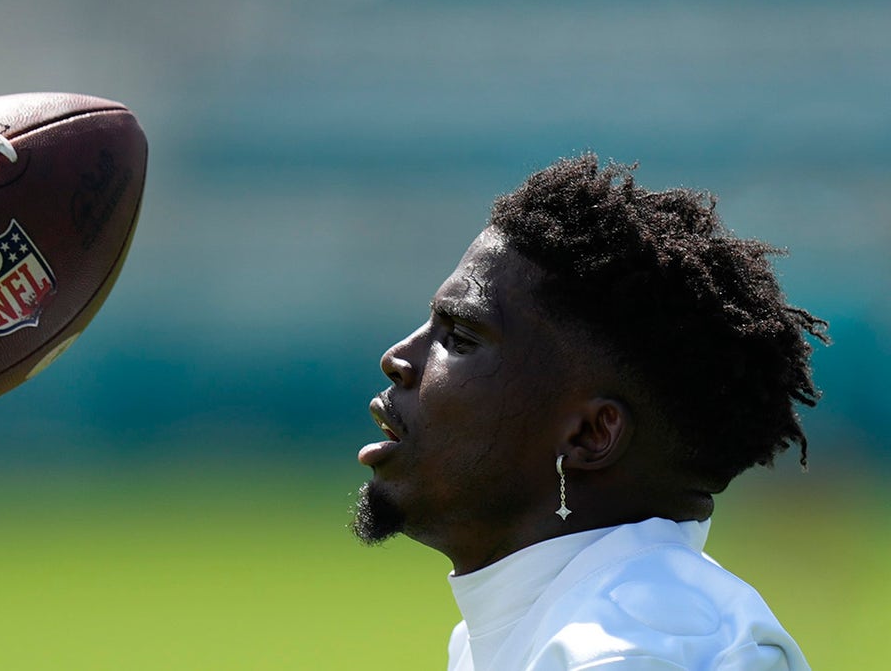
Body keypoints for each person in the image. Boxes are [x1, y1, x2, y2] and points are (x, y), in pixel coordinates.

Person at [351, 154, 827, 670]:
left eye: (461, 339)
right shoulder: (520, 632)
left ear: (590, 435)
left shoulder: (628, 651)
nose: (398, 358)